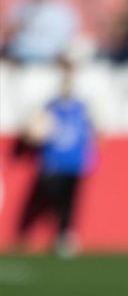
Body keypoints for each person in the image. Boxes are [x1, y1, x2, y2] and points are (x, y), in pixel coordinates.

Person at [16, 58, 96, 257]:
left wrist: (91, 156)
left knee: (70, 202)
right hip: (53, 162)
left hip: (75, 162)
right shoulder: (50, 107)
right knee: (54, 197)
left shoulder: (82, 107)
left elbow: (92, 132)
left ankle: (64, 236)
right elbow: (35, 130)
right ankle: (46, 234)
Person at [2, 0, 78, 64]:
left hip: (51, 53)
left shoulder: (60, 9)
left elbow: (68, 35)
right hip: (23, 52)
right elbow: (9, 30)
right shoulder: (23, 5)